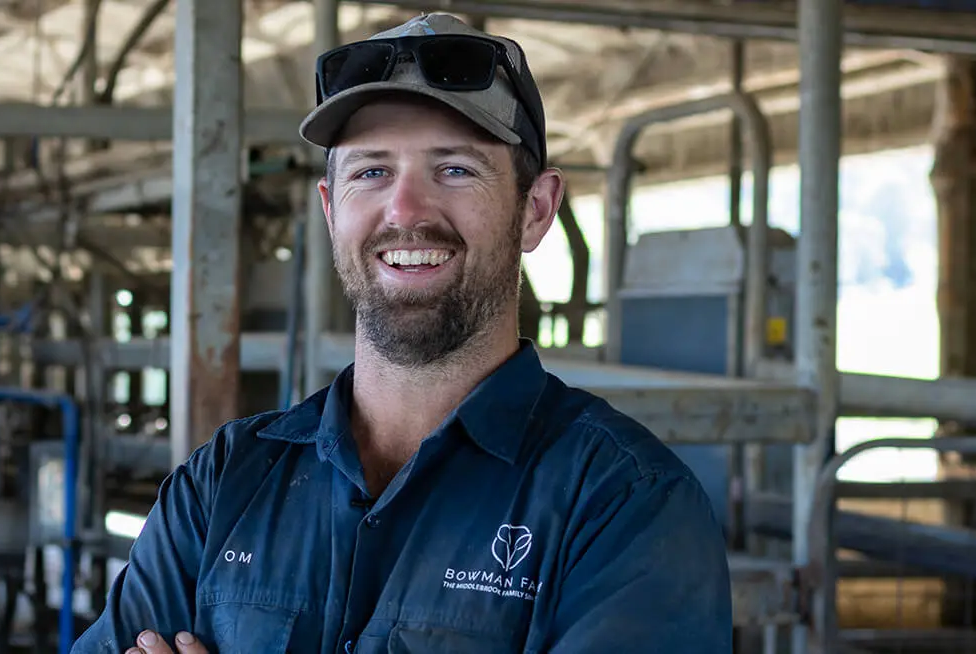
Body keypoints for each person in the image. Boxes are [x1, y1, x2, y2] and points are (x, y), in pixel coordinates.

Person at [73, 13, 734, 654]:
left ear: (535, 210)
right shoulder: (223, 484)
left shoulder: (626, 507)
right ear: (332, 213)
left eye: (455, 169)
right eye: (371, 171)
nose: (406, 211)